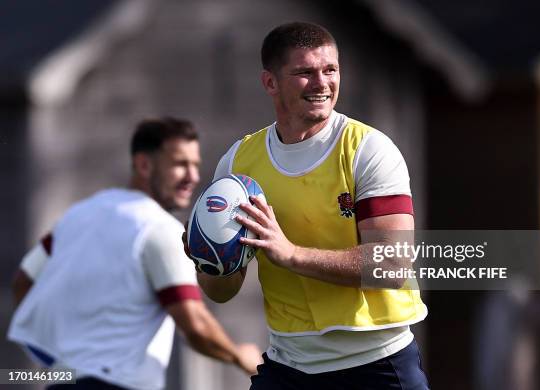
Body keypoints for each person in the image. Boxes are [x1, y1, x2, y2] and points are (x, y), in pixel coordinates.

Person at [188, 22, 430, 389]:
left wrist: (291, 254)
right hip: (290, 365)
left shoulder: (369, 150)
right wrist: (208, 260)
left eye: (330, 70)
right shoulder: (237, 165)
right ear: (270, 83)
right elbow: (222, 292)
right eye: (305, 73)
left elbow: (392, 264)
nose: (322, 84)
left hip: (377, 364)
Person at [8, 117, 262, 390]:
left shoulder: (76, 215)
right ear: (143, 165)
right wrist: (239, 355)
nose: (193, 177)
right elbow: (195, 325)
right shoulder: (160, 228)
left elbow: (23, 283)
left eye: (195, 165)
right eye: (180, 164)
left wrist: (63, 354)